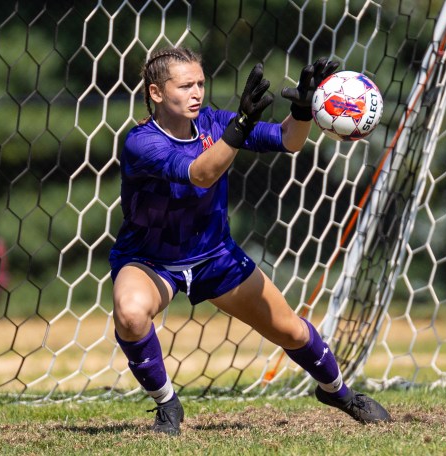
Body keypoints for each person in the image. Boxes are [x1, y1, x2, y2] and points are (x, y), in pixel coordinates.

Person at [109, 46, 391, 436]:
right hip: (149, 260)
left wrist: (303, 111)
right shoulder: (141, 143)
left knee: (291, 331)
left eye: (200, 83)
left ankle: (340, 393)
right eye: (185, 86)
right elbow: (201, 173)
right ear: (156, 93)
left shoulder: (215, 123)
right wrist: (240, 125)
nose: (196, 93)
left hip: (214, 256)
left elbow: (289, 141)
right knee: (130, 313)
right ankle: (167, 405)